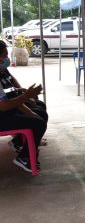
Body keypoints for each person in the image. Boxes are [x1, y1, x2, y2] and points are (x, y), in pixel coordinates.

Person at [0, 40, 46, 172]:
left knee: (40, 115)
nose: (6, 59)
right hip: (2, 116)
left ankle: (21, 144)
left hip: (6, 112)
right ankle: (24, 157)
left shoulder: (2, 72)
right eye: (4, 55)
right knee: (38, 123)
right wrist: (26, 97)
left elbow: (12, 99)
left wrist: (31, 108)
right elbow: (3, 106)